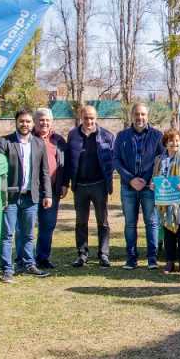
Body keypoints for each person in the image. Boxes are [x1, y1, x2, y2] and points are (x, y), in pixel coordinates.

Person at [0, 109, 52, 283]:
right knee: (8, 234)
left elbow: (45, 172)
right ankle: (7, 269)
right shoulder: (4, 142)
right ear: (16, 122)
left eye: (27, 121)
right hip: (9, 197)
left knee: (28, 234)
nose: (25, 124)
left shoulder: (39, 143)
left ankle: (28, 263)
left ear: (32, 123)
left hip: (30, 197)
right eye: (21, 121)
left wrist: (47, 194)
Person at [114, 103, 165, 270]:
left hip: (149, 186)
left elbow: (161, 159)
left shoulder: (157, 136)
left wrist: (148, 178)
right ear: (132, 116)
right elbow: (116, 160)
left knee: (152, 222)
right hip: (128, 186)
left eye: (143, 114)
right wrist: (130, 179)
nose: (140, 117)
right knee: (130, 223)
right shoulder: (122, 136)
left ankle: (152, 258)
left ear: (147, 116)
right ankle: (131, 258)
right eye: (137, 114)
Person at [66, 105, 116, 268]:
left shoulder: (107, 136)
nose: (89, 121)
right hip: (80, 186)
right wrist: (67, 183)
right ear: (81, 117)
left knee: (103, 222)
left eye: (92, 118)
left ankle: (104, 254)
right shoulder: (73, 135)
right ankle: (82, 254)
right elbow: (68, 161)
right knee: (81, 222)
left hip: (99, 185)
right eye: (86, 117)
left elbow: (113, 160)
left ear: (96, 117)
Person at [149, 129, 180, 273]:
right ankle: (170, 262)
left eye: (176, 140)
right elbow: (154, 177)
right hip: (164, 203)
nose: (174, 143)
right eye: (170, 140)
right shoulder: (159, 159)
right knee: (168, 233)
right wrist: (152, 184)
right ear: (165, 143)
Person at [32, 107, 67, 270]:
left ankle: (43, 258)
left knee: (48, 225)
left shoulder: (58, 140)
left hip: (52, 190)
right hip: (30, 190)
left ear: (51, 122)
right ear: (35, 121)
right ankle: (26, 259)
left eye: (47, 120)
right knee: (27, 226)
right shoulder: (27, 138)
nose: (44, 123)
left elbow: (64, 165)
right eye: (41, 119)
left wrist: (65, 184)